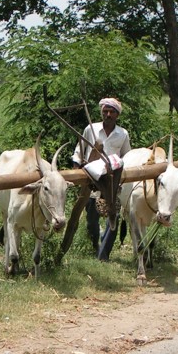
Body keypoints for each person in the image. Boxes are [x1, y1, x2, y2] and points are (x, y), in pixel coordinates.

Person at [72, 97, 131, 261]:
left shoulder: (122, 134)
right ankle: (95, 246)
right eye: (105, 111)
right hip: (92, 180)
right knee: (91, 219)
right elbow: (79, 151)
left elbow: (127, 156)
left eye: (112, 112)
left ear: (117, 115)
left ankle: (103, 255)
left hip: (113, 182)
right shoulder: (90, 130)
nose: (108, 114)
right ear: (102, 113)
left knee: (113, 217)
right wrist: (77, 172)